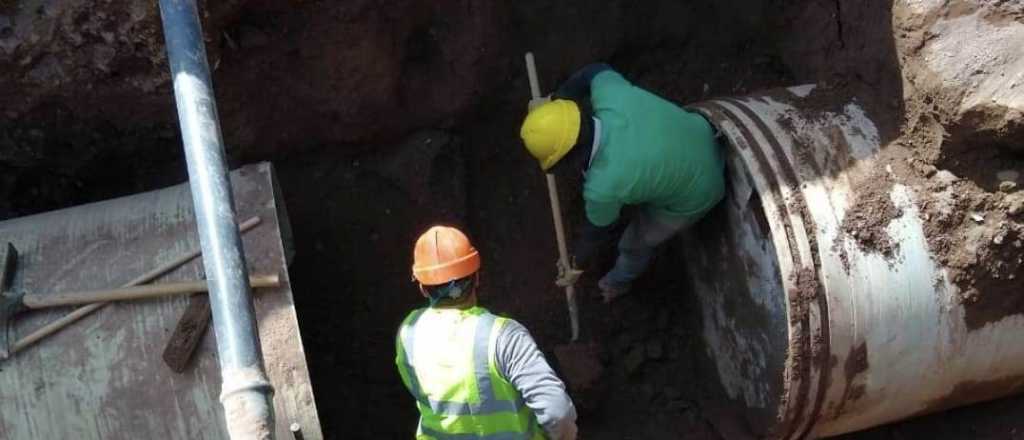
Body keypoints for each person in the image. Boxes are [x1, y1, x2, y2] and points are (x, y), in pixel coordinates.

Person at [519, 63, 726, 302]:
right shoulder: (610, 94)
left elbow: (595, 232)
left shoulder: (602, 188)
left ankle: (616, 283)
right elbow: (594, 71)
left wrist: (576, 263)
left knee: (634, 243)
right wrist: (555, 99)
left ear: (566, 159)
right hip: (704, 133)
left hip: (703, 191)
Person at [395, 225, 578, 439]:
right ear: (477, 277)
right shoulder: (504, 337)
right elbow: (558, 412)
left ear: (423, 288)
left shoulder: (409, 332)